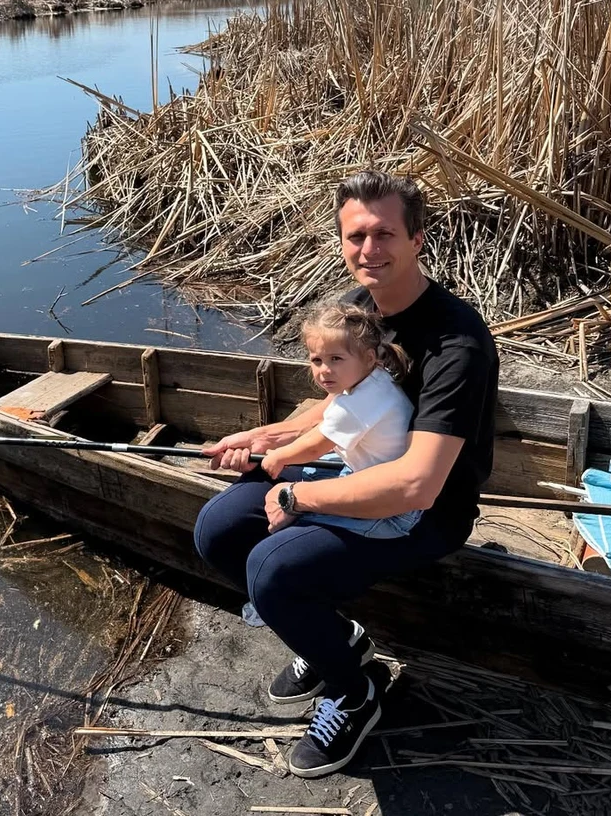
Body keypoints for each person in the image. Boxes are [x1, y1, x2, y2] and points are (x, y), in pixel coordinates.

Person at [193, 170, 499, 779]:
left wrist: (298, 493)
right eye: (355, 235)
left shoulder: (455, 342)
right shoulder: (359, 310)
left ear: (417, 238)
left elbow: (417, 483)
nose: (369, 249)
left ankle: (353, 691)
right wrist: (268, 437)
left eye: (385, 233)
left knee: (272, 568)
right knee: (219, 529)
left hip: (425, 513)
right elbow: (339, 403)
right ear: (341, 242)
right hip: (359, 465)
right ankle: (335, 637)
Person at [260, 300, 421, 540]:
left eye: (336, 359)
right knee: (310, 471)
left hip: (390, 511)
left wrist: (280, 455)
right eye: (317, 360)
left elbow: (316, 444)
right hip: (372, 477)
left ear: (368, 358)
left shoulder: (357, 404)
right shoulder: (377, 378)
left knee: (294, 519)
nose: (324, 369)